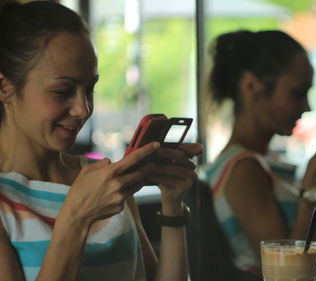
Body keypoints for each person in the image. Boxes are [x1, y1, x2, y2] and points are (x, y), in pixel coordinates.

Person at [0, 1, 202, 281]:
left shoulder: (102, 178)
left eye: (90, 89)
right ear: (4, 87)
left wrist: (172, 202)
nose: (82, 109)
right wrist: (76, 220)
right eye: (62, 91)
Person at [204, 30, 316, 281]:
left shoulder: (264, 164)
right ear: (252, 86)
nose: (307, 107)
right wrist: (312, 184)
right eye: (296, 93)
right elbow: (288, 274)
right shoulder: (242, 169)